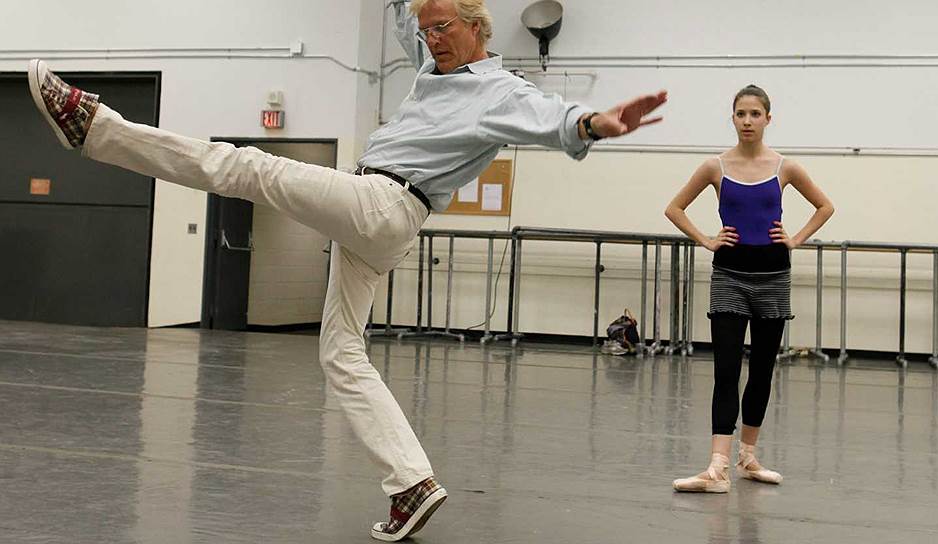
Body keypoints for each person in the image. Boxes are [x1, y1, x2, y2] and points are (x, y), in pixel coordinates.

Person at [27, 0, 667, 538]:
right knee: (340, 349)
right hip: (380, 218)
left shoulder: (500, 90)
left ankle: (96, 128)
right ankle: (411, 482)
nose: (431, 38)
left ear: (478, 27)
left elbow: (553, 118)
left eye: (443, 27)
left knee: (249, 166)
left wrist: (597, 122)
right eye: (426, 29)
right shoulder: (431, 66)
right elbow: (402, 15)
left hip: (384, 201)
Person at [664, 84, 833, 493]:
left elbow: (825, 206)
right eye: (741, 114)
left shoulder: (785, 168)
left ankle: (748, 457)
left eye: (755, 114)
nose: (747, 121)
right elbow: (674, 208)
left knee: (761, 369)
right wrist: (707, 240)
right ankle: (717, 466)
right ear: (733, 118)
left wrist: (795, 239)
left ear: (768, 119)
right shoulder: (715, 167)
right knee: (726, 370)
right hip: (729, 275)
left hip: (773, 277)